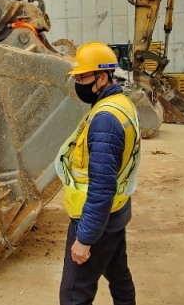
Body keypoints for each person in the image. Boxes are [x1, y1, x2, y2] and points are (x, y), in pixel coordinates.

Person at [55, 42, 140, 305]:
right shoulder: (119, 103)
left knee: (74, 295)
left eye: (82, 78)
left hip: (95, 220)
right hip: (114, 214)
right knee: (119, 278)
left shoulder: (105, 119)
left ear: (102, 77)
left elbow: (102, 187)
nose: (78, 84)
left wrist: (85, 238)